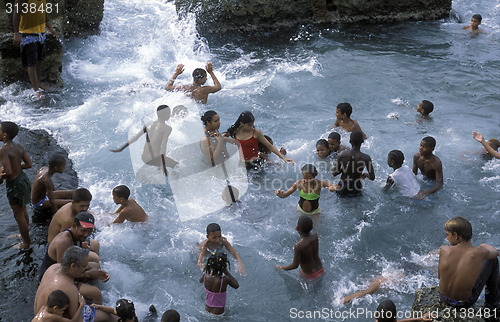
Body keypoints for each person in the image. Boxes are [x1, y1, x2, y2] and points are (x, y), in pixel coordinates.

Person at [35, 246, 113, 322]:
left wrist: (88, 274)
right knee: (107, 315)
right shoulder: (69, 288)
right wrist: (83, 305)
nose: (86, 268)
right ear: (73, 266)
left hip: (38, 314)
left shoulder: (53, 267)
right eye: (84, 266)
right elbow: (78, 320)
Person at [438, 217, 499, 311]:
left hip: (443, 298)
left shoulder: (444, 250)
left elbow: (439, 277)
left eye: (447, 235)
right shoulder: (479, 253)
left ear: (456, 236)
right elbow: (495, 252)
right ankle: (492, 305)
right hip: (464, 303)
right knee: (492, 260)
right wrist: (482, 246)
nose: (447, 238)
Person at [39, 212, 109, 282]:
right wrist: (87, 274)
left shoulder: (76, 235)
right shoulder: (64, 241)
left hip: (68, 268)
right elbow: (63, 271)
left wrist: (82, 247)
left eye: (90, 231)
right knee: (94, 292)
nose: (86, 234)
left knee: (96, 266)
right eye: (83, 230)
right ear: (74, 226)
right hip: (52, 278)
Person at [111, 105, 178, 175]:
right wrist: (163, 164)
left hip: (144, 158)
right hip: (155, 160)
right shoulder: (167, 128)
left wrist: (121, 148)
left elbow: (136, 137)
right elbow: (163, 146)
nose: (170, 115)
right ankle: (175, 179)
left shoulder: (149, 124)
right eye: (169, 113)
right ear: (166, 115)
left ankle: (157, 169)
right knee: (176, 165)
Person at [12, 0, 58, 98]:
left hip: (41, 34)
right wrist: (16, 33)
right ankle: (36, 90)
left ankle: (38, 83)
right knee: (31, 63)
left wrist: (50, 28)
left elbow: (43, 14)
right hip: (27, 35)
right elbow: (16, 14)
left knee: (40, 60)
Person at [0, 121, 32, 248]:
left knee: (18, 216)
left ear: (5, 135)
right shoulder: (18, 146)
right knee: (23, 209)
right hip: (23, 180)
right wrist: (16, 167)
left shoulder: (3, 150)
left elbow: (8, 172)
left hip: (15, 184)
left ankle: (26, 243)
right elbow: (29, 164)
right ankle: (25, 234)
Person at [227, 111, 294, 170]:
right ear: (241, 123)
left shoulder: (256, 133)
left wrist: (283, 158)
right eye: (249, 125)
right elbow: (223, 138)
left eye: (252, 124)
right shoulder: (234, 131)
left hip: (256, 164)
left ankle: (282, 155)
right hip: (242, 165)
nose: (252, 127)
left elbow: (270, 146)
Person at [276, 216, 324, 280]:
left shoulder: (298, 246)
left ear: (297, 228)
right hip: (321, 269)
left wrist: (281, 268)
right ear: (312, 227)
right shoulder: (315, 236)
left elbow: (295, 265)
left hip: (309, 275)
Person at [332, 131, 375, 197]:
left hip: (343, 186)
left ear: (350, 141)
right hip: (356, 187)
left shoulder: (342, 154)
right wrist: (366, 174)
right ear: (362, 141)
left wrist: (344, 168)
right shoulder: (366, 158)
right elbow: (372, 177)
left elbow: (334, 173)